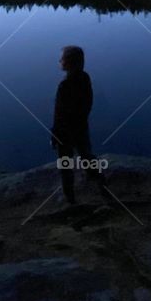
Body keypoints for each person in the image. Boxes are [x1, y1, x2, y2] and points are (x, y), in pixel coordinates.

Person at [50, 44, 110, 204]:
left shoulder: (64, 85)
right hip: (81, 126)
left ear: (68, 63)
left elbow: (59, 113)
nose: (59, 61)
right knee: (86, 155)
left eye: (62, 59)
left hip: (64, 131)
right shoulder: (85, 77)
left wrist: (55, 133)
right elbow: (88, 102)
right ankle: (100, 181)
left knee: (65, 164)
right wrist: (82, 120)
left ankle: (69, 197)